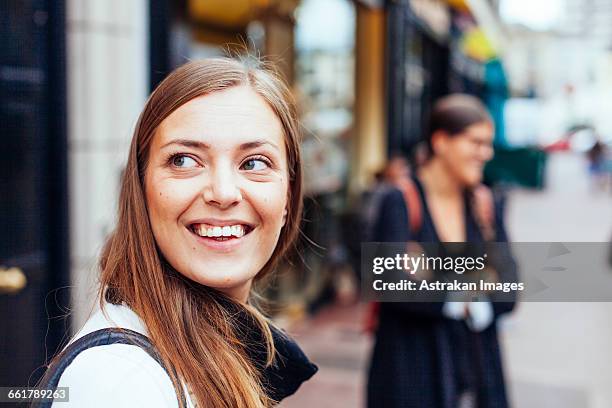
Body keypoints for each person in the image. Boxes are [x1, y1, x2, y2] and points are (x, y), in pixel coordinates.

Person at [38, 57, 317, 407]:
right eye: (183, 160)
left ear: (288, 196)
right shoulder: (122, 381)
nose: (224, 192)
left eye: (254, 163)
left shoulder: (218, 348)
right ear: (141, 190)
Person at [367, 94, 518, 408]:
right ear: (441, 141)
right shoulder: (399, 201)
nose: (486, 154)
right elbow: (392, 284)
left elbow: (509, 288)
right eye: (476, 143)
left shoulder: (486, 205)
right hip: (411, 367)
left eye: (488, 144)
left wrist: (433, 281)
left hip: (477, 364)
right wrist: (471, 288)